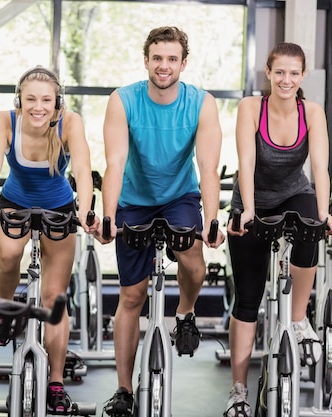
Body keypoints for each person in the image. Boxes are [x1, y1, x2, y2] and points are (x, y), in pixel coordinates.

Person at [96, 26, 225, 416]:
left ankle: (184, 313)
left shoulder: (201, 103)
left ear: (183, 63)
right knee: (131, 297)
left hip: (179, 197)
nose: (164, 66)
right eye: (157, 58)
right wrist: (107, 215)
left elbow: (207, 167)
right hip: (134, 200)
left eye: (172, 59)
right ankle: (123, 389)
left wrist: (213, 219)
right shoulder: (123, 100)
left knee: (192, 259)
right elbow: (115, 163)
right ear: (146, 60)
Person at [0, 66, 99, 414]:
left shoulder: (70, 123)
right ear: (20, 100)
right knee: (9, 255)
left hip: (59, 205)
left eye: (46, 99)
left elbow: (83, 171)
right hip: (15, 201)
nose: (38, 107)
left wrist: (86, 211)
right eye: (31, 99)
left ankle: (55, 382)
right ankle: (4, 308)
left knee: (55, 297)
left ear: (57, 101)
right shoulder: (5, 121)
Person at [223, 42, 332, 417]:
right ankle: (239, 390)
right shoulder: (250, 108)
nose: (286, 79)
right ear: (268, 74)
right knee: (248, 298)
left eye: (294, 73)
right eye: (279, 72)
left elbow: (319, 168)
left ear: (302, 75)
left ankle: (297, 317)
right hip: (251, 201)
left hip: (293, 194)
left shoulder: (313, 112)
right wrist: (248, 213)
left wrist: (325, 215)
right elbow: (246, 161)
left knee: (311, 225)